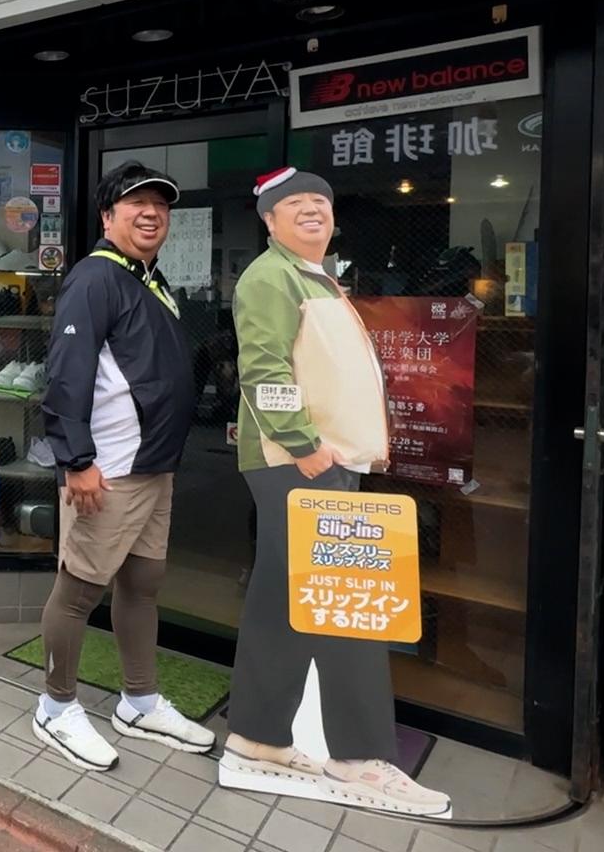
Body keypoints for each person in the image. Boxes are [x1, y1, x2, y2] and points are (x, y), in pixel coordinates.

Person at [221, 167, 450, 817]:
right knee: (347, 603)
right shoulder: (271, 277)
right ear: (268, 219)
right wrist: (304, 446)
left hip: (315, 462)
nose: (311, 211)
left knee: (281, 603)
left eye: (320, 203)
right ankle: (361, 756)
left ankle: (260, 737)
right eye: (294, 205)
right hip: (303, 463)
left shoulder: (311, 278)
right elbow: (263, 368)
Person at [34, 161, 211, 772]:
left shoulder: (151, 282)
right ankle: (55, 708)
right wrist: (76, 460)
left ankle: (138, 700)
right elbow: (66, 374)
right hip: (106, 471)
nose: (151, 212)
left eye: (160, 204)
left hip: (154, 469)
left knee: (143, 585)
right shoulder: (95, 277)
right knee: (79, 591)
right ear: (108, 216)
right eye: (136, 202)